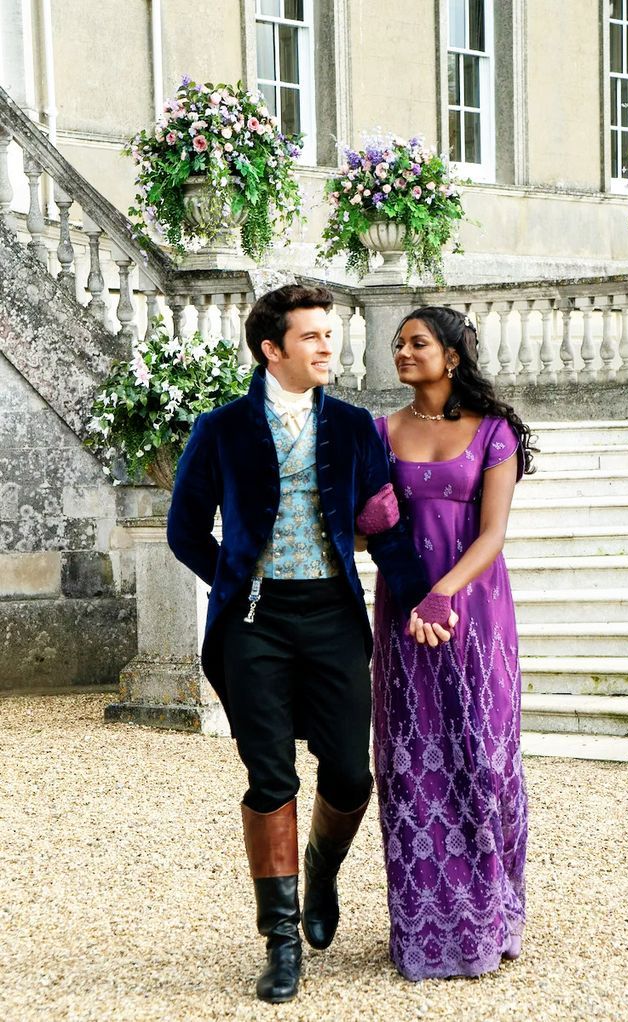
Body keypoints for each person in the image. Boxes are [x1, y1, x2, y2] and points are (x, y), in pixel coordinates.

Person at [167, 285, 451, 1004]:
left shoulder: (355, 428)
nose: (329, 347)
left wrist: (424, 597)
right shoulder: (221, 428)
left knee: (352, 776)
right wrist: (235, 579)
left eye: (331, 334)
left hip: (331, 615)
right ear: (273, 348)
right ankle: (282, 941)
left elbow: (384, 528)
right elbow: (184, 529)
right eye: (314, 337)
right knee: (270, 779)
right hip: (253, 623)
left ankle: (321, 869)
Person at [371, 305, 534, 981]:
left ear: (453, 356)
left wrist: (445, 593)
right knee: (412, 766)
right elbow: (370, 527)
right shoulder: (380, 433)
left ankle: (493, 916)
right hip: (406, 615)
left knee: (487, 762)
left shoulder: (494, 430)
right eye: (398, 344)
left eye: (417, 343)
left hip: (476, 613)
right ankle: (425, 931)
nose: (403, 352)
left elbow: (493, 532)